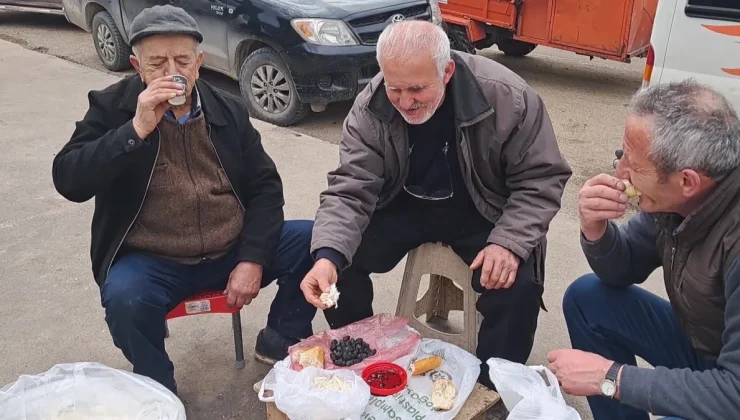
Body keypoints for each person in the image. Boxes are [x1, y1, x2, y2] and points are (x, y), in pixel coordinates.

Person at [51, 5, 316, 394]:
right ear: (137, 66)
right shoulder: (112, 109)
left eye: (182, 60)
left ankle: (279, 338)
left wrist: (252, 258)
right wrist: (136, 128)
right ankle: (158, 389)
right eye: (157, 63)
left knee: (316, 239)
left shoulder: (226, 108)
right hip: (156, 260)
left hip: (231, 247)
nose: (171, 72)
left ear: (198, 63)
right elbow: (68, 179)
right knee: (126, 298)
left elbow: (265, 187)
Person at [300, 20, 572, 389]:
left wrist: (508, 242)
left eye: (417, 89)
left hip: (483, 208)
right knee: (334, 259)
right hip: (404, 203)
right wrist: (327, 255)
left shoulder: (509, 96)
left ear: (447, 71)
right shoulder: (371, 105)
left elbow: (540, 179)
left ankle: (494, 385)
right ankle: (362, 356)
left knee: (516, 284)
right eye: (395, 88)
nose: (405, 101)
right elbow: (351, 188)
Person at [547, 80, 740, 420]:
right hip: (706, 346)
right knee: (588, 298)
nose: (621, 173)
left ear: (687, 181)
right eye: (622, 155)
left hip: (731, 387)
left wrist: (609, 378)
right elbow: (624, 268)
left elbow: (733, 395)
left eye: (634, 167)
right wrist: (596, 230)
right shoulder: (677, 199)